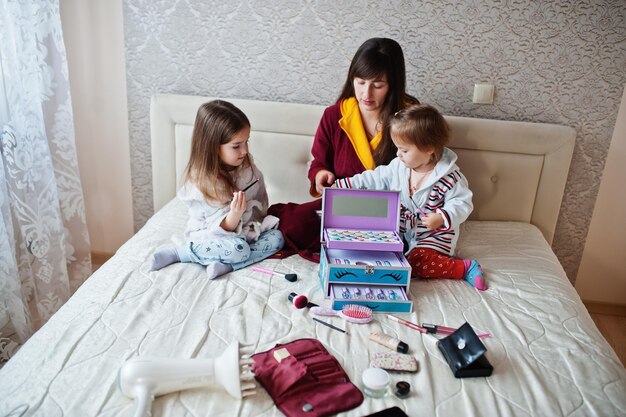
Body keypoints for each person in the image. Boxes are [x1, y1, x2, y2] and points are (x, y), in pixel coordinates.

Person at [269, 37, 419, 260]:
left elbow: (425, 164)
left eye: (377, 86)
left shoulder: (411, 117)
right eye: (360, 82)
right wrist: (321, 174)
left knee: (408, 244)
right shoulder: (334, 115)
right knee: (293, 224)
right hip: (342, 206)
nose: (366, 94)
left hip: (391, 212)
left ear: (393, 84)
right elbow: (319, 161)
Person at [333, 104, 487, 290]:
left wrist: (442, 217)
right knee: (376, 246)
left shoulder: (449, 178)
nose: (398, 154)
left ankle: (464, 268)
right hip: (406, 230)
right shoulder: (398, 166)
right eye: (397, 148)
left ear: (429, 148)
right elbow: (375, 177)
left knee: (416, 263)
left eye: (404, 150)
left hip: (434, 235)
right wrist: (344, 185)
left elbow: (462, 203)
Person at [150, 100, 284, 279]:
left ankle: (227, 265)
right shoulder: (204, 183)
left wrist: (254, 216)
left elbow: (259, 202)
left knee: (278, 238)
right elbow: (218, 228)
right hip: (213, 234)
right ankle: (182, 253)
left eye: (246, 142)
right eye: (236, 146)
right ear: (213, 147)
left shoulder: (245, 166)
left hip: (245, 230)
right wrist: (236, 214)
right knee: (239, 250)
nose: (244, 150)